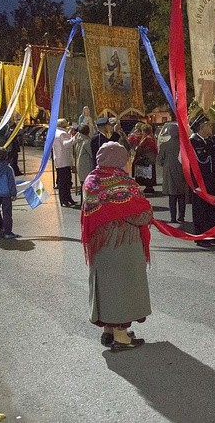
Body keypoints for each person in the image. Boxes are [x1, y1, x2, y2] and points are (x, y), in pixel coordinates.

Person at [82, 142, 150, 351]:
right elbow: (141, 214)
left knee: (105, 285)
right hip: (123, 244)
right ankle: (121, 337)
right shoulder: (123, 183)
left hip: (100, 244)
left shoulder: (91, 180)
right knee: (124, 286)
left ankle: (108, 331)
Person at [189, 112, 215, 247]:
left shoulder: (209, 141)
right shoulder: (193, 142)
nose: (211, 128)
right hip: (200, 183)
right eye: (208, 126)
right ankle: (201, 237)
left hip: (211, 181)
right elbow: (201, 160)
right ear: (201, 127)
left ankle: (211, 234)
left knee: (211, 210)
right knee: (200, 211)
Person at [156, 122, 187, 223]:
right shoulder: (184, 145)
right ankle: (181, 216)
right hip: (182, 172)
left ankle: (173, 217)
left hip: (169, 173)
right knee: (182, 196)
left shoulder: (165, 145)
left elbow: (159, 160)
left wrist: (165, 165)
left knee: (172, 197)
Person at [53, 118, 80, 207]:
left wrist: (70, 135)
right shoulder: (62, 133)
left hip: (59, 160)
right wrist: (75, 138)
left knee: (63, 181)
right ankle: (65, 199)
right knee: (65, 182)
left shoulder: (57, 132)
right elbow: (66, 144)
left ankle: (67, 199)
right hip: (64, 160)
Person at [132, 124, 157, 194]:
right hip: (148, 158)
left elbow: (146, 148)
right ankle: (148, 186)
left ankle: (149, 187)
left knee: (148, 173)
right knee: (147, 173)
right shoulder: (150, 138)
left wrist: (139, 149)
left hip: (147, 159)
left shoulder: (148, 139)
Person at [74, 124, 94, 205]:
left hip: (80, 165)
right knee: (87, 186)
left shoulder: (78, 140)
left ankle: (83, 203)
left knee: (83, 185)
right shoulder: (87, 141)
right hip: (86, 166)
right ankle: (86, 204)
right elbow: (92, 154)